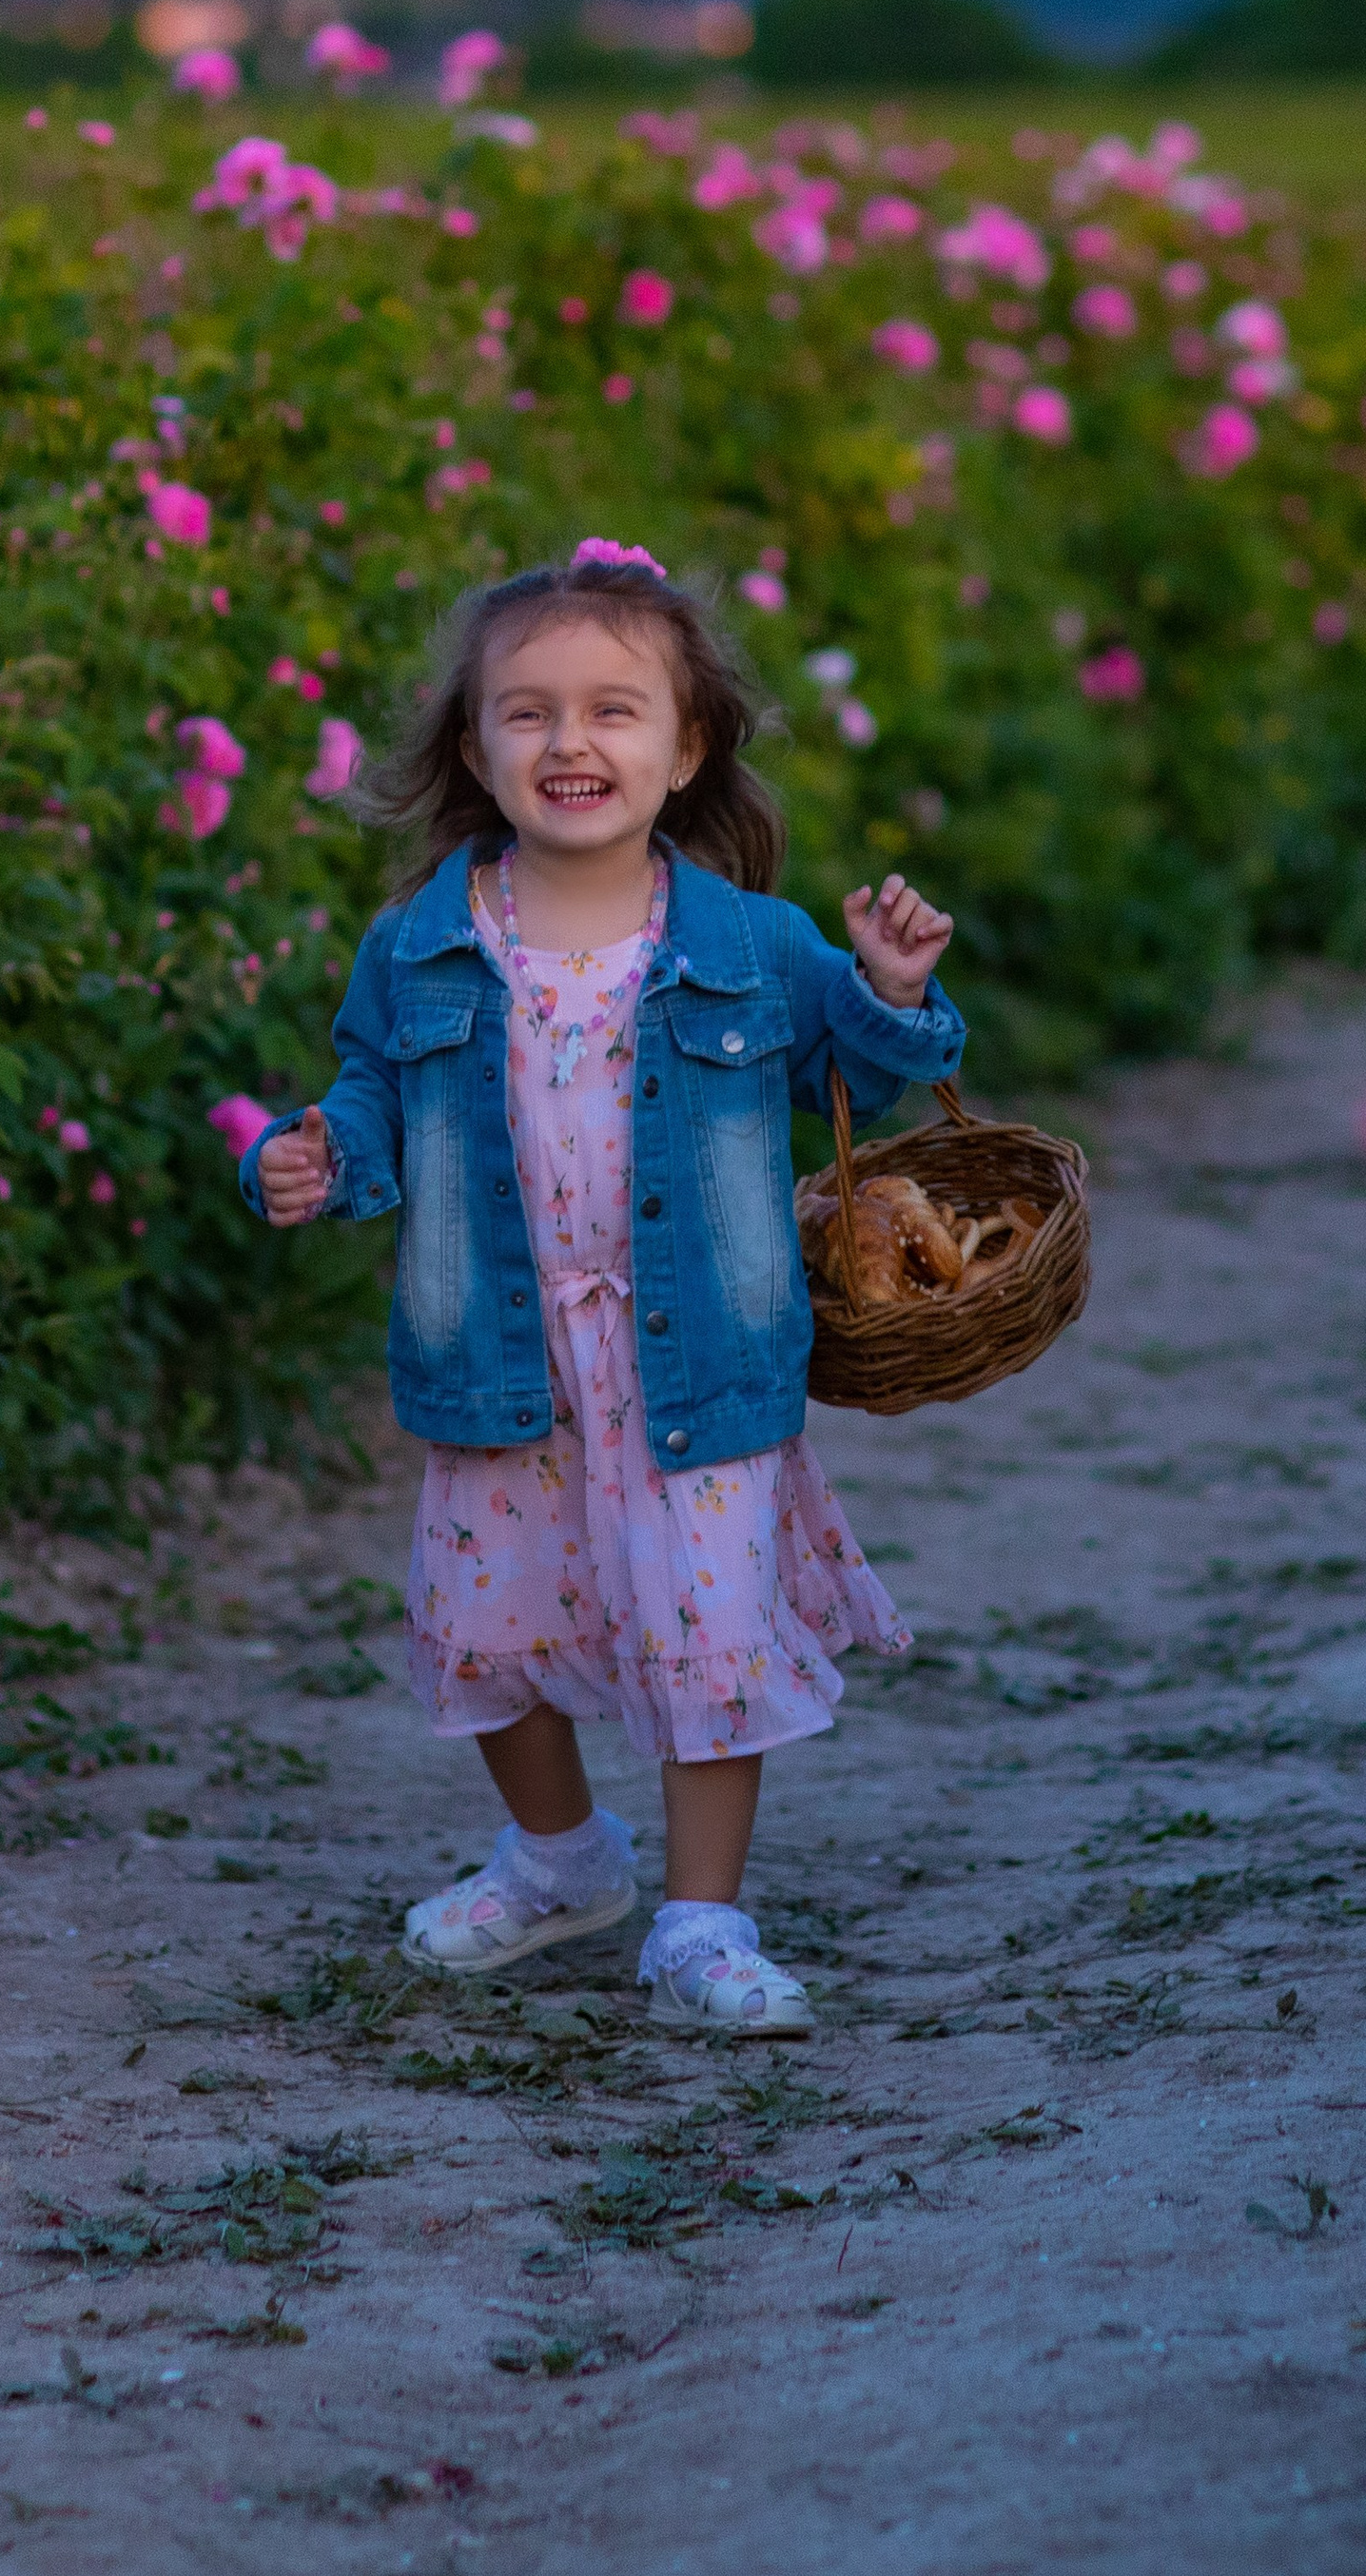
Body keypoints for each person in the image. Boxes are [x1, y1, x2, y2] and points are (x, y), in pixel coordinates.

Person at [244, 537, 960, 2036]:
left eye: (615, 709)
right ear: (473, 745)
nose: (571, 741)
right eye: (529, 711)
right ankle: (563, 1859)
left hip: (695, 1358)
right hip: (497, 1350)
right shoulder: (421, 947)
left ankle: (703, 1921)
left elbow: (857, 1072)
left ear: (687, 745)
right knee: (488, 1625)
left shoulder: (752, 948)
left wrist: (889, 991)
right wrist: (315, 1154)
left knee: (709, 1635)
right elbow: (369, 1092)